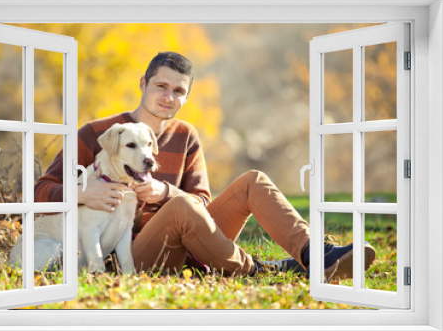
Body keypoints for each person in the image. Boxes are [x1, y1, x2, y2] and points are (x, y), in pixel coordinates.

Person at [35, 51, 375, 279]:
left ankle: (317, 255)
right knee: (179, 209)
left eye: (179, 91)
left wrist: (162, 192)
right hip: (138, 253)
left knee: (251, 181)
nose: (169, 97)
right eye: (161, 86)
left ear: (187, 96)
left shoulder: (186, 135)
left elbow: (201, 204)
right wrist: (83, 191)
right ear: (143, 84)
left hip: (192, 240)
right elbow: (38, 191)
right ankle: (259, 269)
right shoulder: (100, 134)